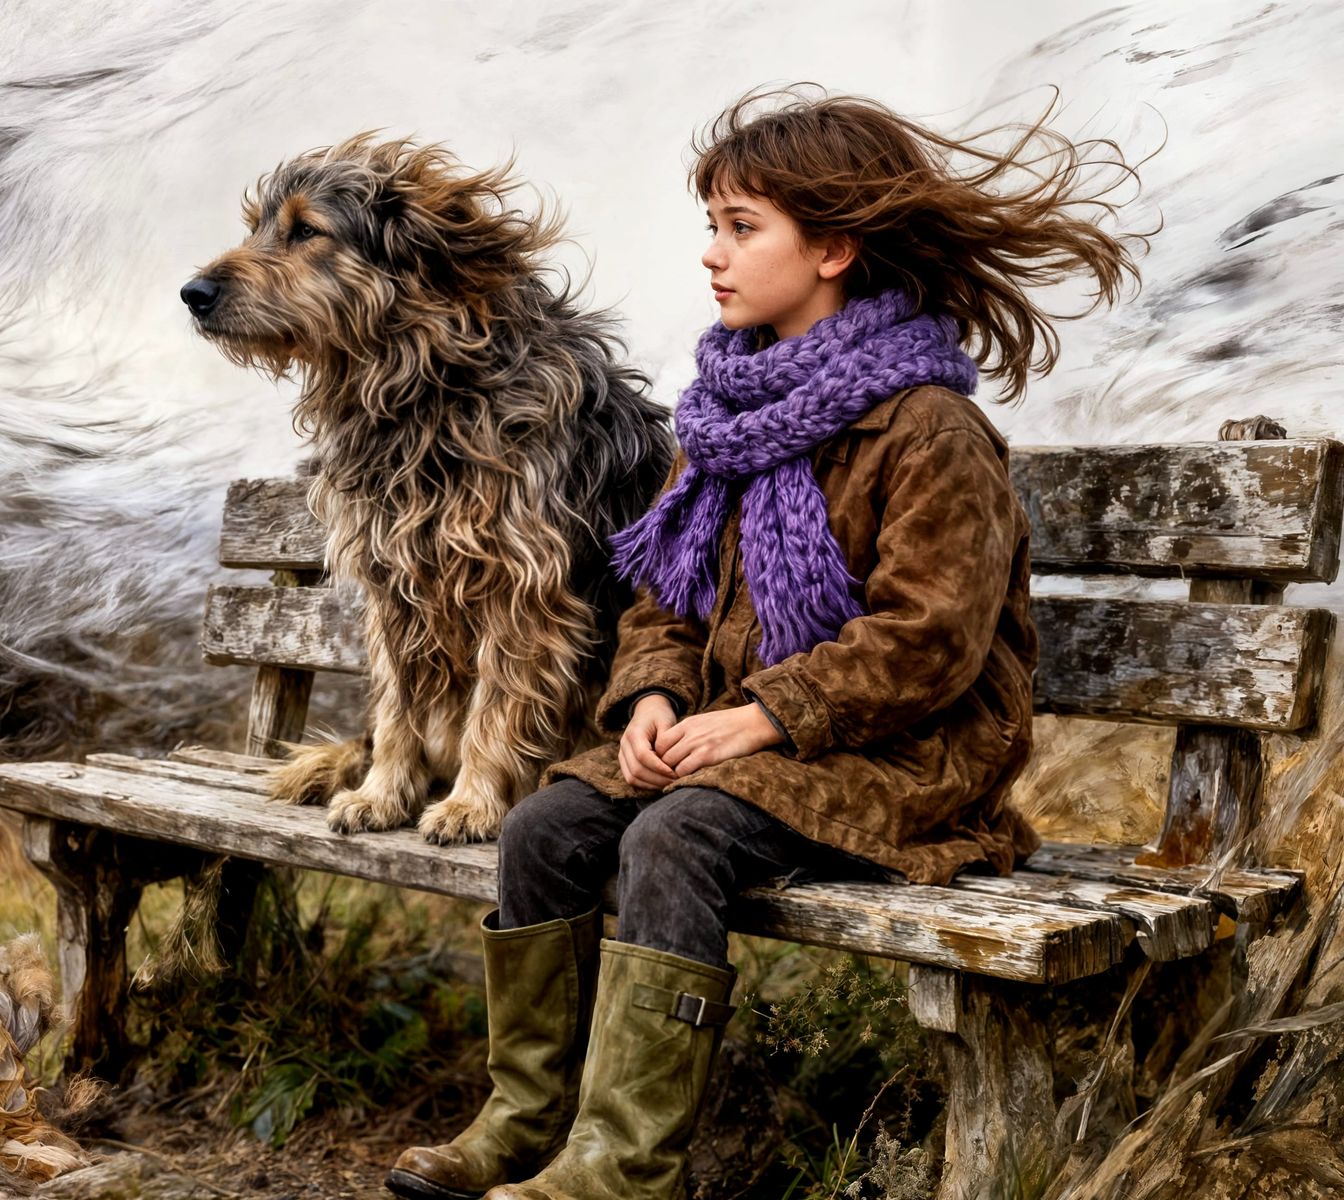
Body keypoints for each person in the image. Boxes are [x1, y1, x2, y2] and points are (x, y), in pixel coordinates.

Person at [386, 82, 1152, 1200]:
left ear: (834, 247)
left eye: (743, 228)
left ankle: (622, 1166)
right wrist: (649, 703)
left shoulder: (929, 428)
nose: (712, 254)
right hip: (749, 746)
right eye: (712, 225)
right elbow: (662, 599)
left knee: (677, 836)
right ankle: (520, 1122)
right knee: (548, 824)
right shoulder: (724, 419)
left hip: (905, 760)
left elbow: (930, 640)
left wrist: (758, 716)